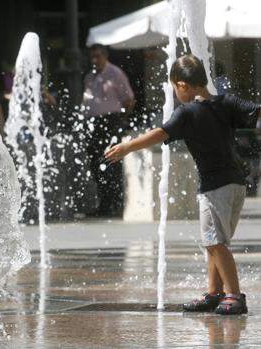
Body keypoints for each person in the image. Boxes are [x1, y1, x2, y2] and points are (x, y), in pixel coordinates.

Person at [105, 54, 261, 315]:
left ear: (182, 85)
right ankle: (214, 293)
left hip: (215, 187)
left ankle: (234, 295)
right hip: (236, 184)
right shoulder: (226, 102)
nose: (176, 94)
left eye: (174, 88)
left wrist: (127, 147)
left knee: (215, 243)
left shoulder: (186, 112)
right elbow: (256, 112)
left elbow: (160, 133)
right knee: (215, 241)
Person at [82, 43, 136, 217]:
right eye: (92, 57)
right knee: (96, 163)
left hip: (111, 121)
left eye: (98, 56)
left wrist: (121, 119)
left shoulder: (115, 73)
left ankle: (116, 204)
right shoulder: (89, 77)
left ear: (105, 56)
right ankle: (103, 204)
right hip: (93, 123)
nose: (95, 60)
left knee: (112, 163)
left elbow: (129, 99)